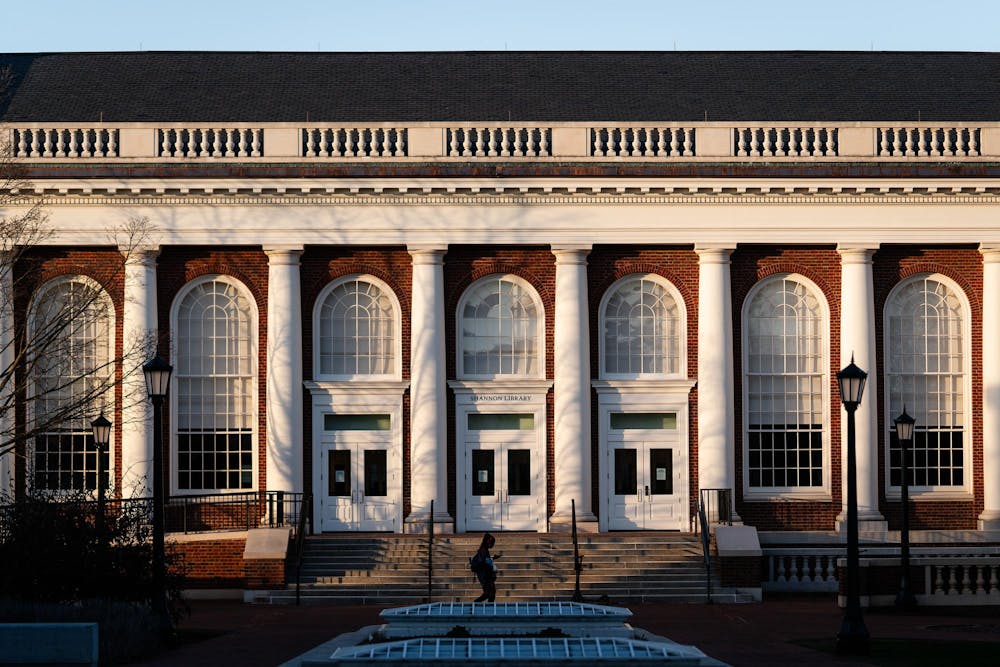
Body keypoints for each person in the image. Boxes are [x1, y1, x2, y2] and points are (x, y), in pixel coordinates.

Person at [470, 532, 497, 602]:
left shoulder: (484, 550)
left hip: (486, 574)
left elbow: (485, 561)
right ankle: (475, 604)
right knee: (489, 593)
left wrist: (492, 558)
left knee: (491, 592)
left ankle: (489, 609)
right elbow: (483, 562)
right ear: (488, 542)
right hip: (484, 575)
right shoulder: (483, 550)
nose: (493, 545)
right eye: (492, 543)